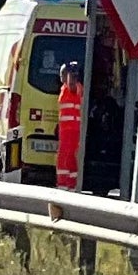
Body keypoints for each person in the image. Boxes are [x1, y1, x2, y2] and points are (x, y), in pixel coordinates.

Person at [55, 61, 83, 190]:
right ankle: (70, 184)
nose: (61, 77)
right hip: (67, 128)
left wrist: (71, 72)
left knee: (65, 156)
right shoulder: (64, 88)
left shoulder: (75, 87)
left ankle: (64, 183)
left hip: (72, 129)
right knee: (69, 157)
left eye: (63, 74)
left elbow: (72, 85)